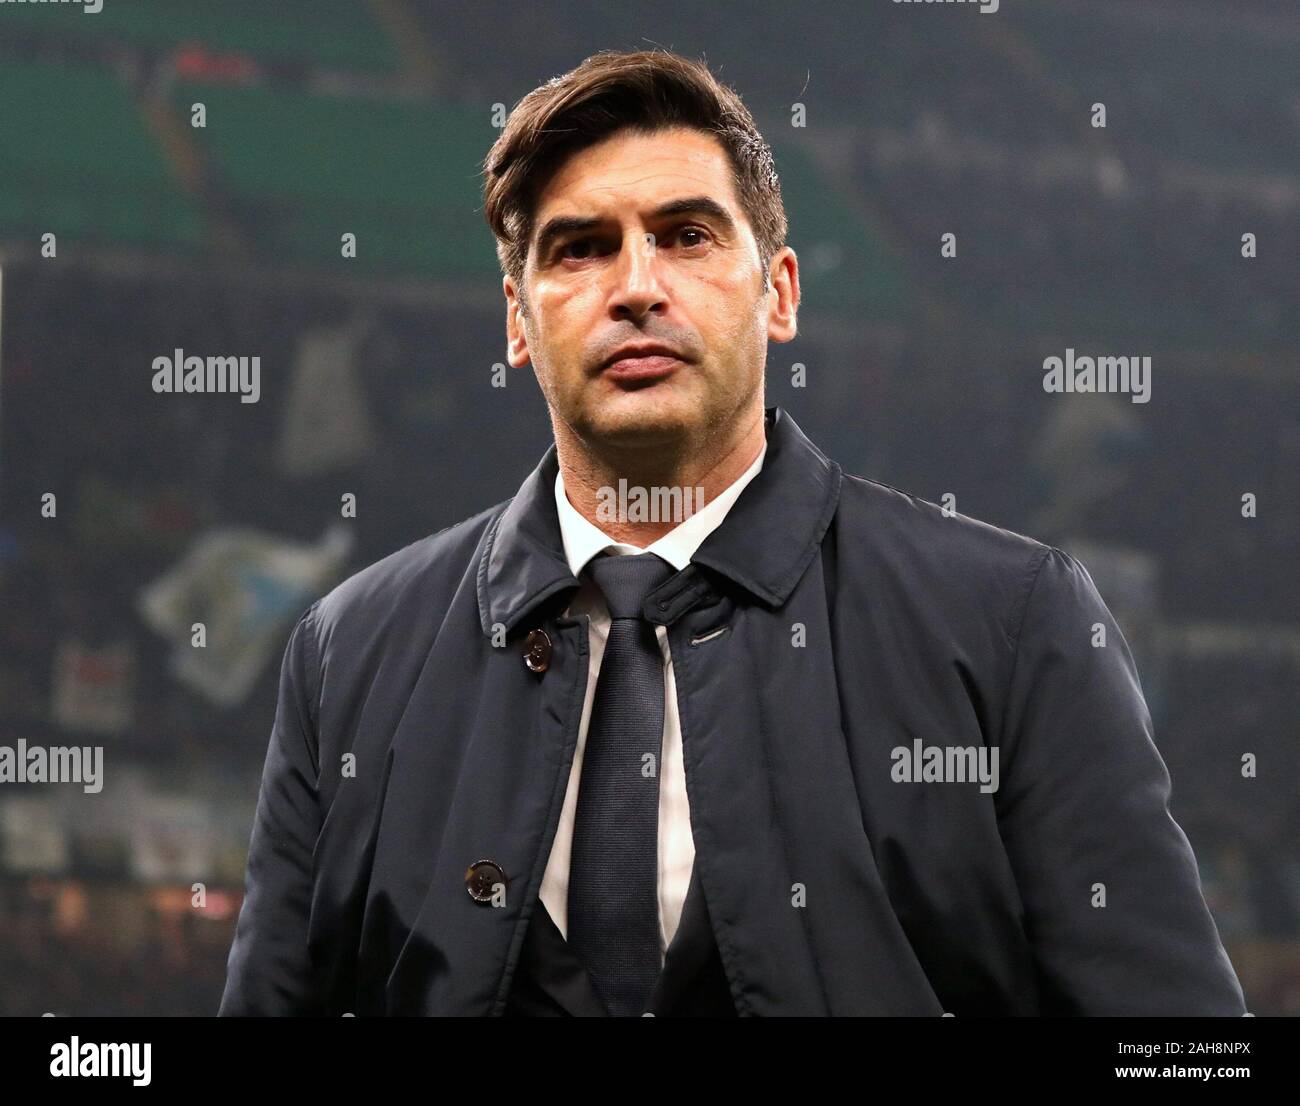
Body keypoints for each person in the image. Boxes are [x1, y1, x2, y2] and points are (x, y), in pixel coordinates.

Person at [219, 49, 1245, 1017]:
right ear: (516, 321)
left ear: (780, 293)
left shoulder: (1012, 621)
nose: (634, 286)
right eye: (579, 248)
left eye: (687, 235)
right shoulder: (346, 655)